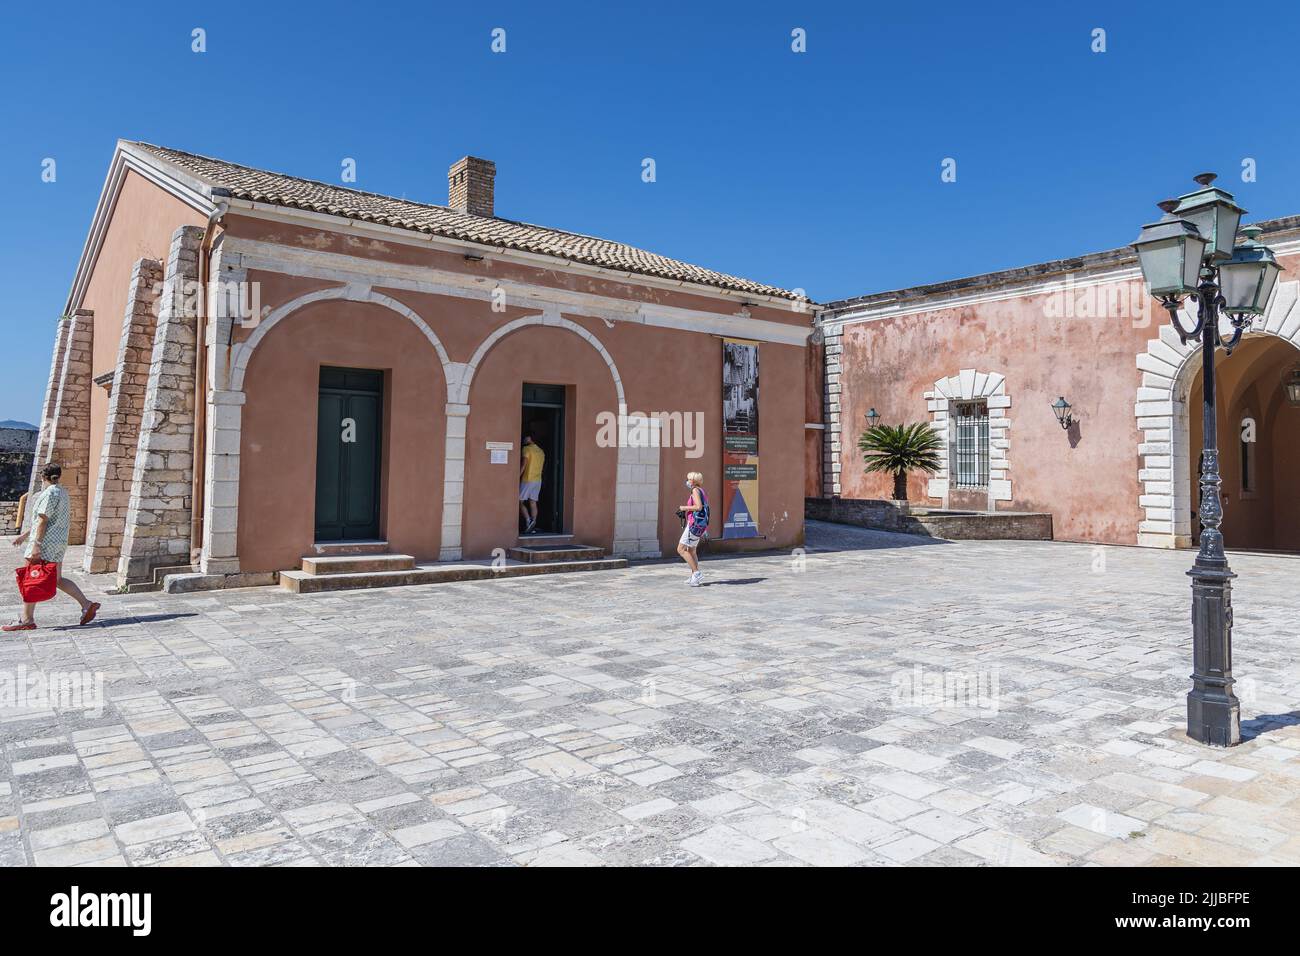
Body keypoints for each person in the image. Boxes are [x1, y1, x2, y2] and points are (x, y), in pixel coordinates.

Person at [4, 463, 100, 632]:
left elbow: (43, 519)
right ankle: (86, 604)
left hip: (45, 543)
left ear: (42, 477)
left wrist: (36, 545)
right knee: (57, 579)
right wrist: (24, 536)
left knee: (30, 580)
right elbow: (46, 519)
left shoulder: (49, 493)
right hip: (58, 542)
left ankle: (26, 619)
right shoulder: (62, 492)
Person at [676, 471, 710, 587]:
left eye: (688, 479)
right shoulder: (701, 491)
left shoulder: (695, 490)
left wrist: (684, 508)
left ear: (693, 481)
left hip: (693, 524)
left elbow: (698, 507)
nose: (687, 481)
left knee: (681, 549)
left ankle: (696, 573)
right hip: (699, 524)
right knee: (692, 550)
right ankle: (694, 577)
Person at [518, 434, 545, 534]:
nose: (524, 439)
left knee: (519, 502)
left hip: (527, 479)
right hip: (538, 480)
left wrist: (518, 476)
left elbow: (524, 464)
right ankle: (533, 524)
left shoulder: (527, 449)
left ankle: (528, 520)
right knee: (533, 502)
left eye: (525, 437)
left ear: (530, 438)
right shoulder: (541, 451)